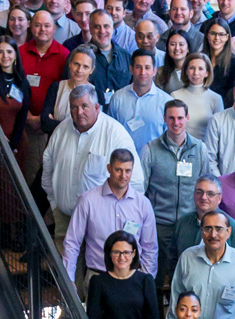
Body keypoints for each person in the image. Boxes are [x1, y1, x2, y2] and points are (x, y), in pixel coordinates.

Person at [42, 85, 142, 247]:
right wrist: (54, 203)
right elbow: (48, 167)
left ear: (96, 107)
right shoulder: (61, 130)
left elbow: (136, 181)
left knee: (94, 270)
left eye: (84, 106)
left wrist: (120, 218)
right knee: (65, 270)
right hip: (65, 219)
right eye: (74, 107)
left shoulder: (115, 134)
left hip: (100, 224)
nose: (79, 112)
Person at [63, 149, 157, 297]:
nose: (123, 176)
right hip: (98, 277)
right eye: (118, 170)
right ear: (109, 168)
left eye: (128, 171)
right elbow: (72, 242)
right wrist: (68, 279)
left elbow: (150, 247)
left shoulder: (143, 204)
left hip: (132, 279)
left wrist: (146, 280)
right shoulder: (88, 201)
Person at [140, 99, 211, 294]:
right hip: (159, 225)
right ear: (164, 119)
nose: (176, 122)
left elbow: (207, 185)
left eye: (180, 117)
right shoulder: (150, 150)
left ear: (187, 118)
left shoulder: (200, 149)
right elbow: (141, 190)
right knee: (154, 278)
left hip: (189, 225)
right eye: (171, 118)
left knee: (185, 280)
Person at [168, 209, 235, 319]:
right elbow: (175, 298)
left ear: (229, 232)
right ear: (201, 232)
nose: (213, 234)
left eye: (219, 229)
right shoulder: (187, 258)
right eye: (208, 228)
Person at [19, 10, 70, 185]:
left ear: (54, 28)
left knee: (48, 175)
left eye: (47, 25)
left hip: (49, 127)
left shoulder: (64, 55)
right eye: (38, 25)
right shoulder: (19, 53)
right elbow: (13, 87)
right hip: (23, 124)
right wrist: (25, 116)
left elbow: (64, 92)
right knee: (26, 173)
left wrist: (43, 119)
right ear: (31, 27)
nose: (42, 29)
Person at [167, 177, 235, 269]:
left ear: (219, 198)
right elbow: (172, 259)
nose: (203, 197)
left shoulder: (233, 228)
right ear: (194, 194)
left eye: (210, 194)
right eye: (199, 192)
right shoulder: (183, 223)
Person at [108, 49, 171, 152]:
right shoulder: (118, 98)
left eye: (147, 67)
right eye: (138, 67)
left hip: (154, 163)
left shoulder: (166, 102)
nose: (143, 72)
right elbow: (110, 132)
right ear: (131, 70)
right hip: (124, 161)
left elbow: (169, 138)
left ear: (154, 71)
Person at [40, 44, 95, 134]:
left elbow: (95, 129)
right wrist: (80, 126)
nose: (79, 70)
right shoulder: (56, 88)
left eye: (85, 67)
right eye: (76, 64)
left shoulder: (97, 93)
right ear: (70, 64)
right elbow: (45, 124)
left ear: (91, 70)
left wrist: (55, 123)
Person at [172, 52, 223, 140]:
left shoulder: (216, 99)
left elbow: (219, 132)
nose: (196, 73)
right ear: (186, 71)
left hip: (206, 151)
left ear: (207, 73)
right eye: (192, 68)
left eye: (200, 69)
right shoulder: (175, 96)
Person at [88, 9, 131, 109]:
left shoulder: (127, 57)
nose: (102, 31)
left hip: (121, 113)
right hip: (92, 117)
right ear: (90, 29)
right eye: (97, 27)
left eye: (106, 26)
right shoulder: (80, 57)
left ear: (112, 28)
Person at [202, 17, 235, 96]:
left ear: (227, 37)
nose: (217, 38)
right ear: (207, 35)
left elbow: (232, 92)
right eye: (213, 33)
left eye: (221, 34)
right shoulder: (199, 59)